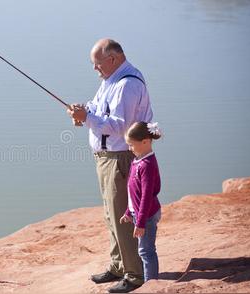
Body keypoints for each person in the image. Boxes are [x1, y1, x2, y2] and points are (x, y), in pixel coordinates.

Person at [67, 38, 153, 293]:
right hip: (106, 159)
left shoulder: (127, 84)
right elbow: (97, 108)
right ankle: (118, 265)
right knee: (110, 215)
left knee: (123, 217)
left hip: (120, 158)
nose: (95, 69)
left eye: (97, 63)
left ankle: (134, 274)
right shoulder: (110, 80)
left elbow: (120, 126)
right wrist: (83, 112)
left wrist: (88, 118)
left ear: (113, 59)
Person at [120, 121, 162, 283]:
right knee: (143, 250)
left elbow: (146, 196)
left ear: (145, 142)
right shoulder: (138, 160)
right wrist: (128, 212)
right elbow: (134, 194)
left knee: (146, 251)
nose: (129, 148)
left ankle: (151, 284)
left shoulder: (147, 165)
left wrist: (141, 222)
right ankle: (149, 282)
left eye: (131, 145)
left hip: (147, 215)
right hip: (139, 214)